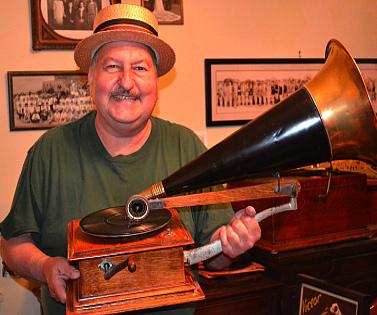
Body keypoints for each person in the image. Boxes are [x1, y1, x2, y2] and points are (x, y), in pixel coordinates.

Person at [0, 4, 261, 315]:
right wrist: (44, 267)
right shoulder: (49, 152)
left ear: (156, 84)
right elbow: (12, 246)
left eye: (140, 68)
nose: (126, 82)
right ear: (90, 79)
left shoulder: (188, 148)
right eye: (112, 67)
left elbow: (215, 256)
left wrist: (230, 243)